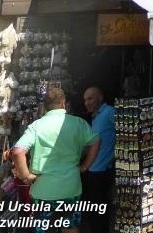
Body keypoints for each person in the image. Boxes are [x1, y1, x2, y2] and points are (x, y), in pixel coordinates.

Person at [11, 88, 99, 233]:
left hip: (43, 189)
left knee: (43, 229)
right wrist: (85, 166)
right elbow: (96, 141)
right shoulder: (78, 123)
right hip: (71, 187)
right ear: (64, 103)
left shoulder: (36, 126)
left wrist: (26, 176)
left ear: (44, 106)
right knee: (70, 228)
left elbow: (17, 152)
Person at [81, 87, 115, 233]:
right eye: (85, 100)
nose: (87, 103)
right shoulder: (95, 116)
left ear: (100, 98)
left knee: (99, 213)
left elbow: (127, 132)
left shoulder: (109, 112)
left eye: (90, 98)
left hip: (101, 172)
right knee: (93, 212)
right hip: (92, 171)